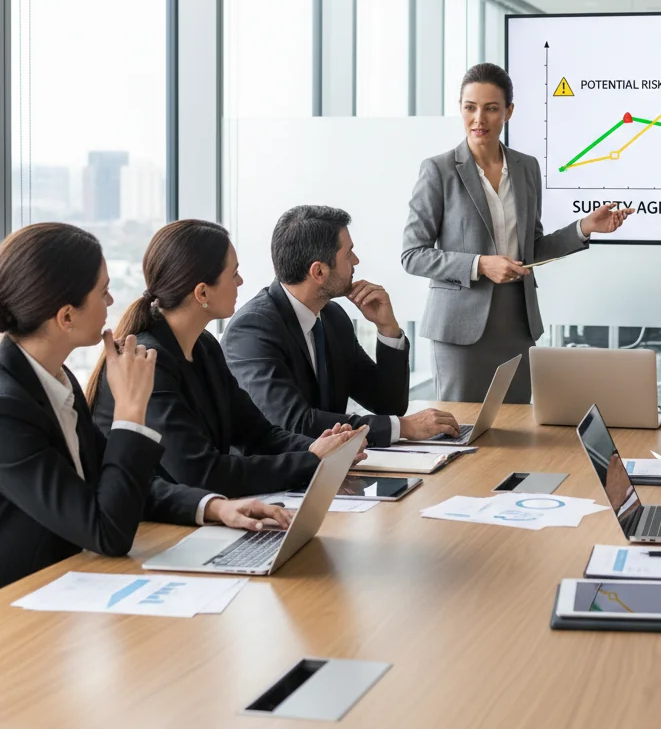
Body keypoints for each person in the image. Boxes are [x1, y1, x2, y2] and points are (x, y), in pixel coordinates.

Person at [0, 223, 292, 589]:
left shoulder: (55, 379)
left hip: (70, 584)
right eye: (103, 292)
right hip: (22, 608)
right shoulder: (7, 409)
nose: (110, 302)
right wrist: (129, 412)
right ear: (66, 316)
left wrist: (215, 507)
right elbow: (107, 531)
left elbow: (127, 485)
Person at [402, 62, 633, 402]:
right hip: (460, 330)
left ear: (508, 112)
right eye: (470, 108)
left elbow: (532, 249)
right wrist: (481, 264)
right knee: (461, 431)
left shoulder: (526, 168)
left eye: (491, 108)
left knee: (518, 430)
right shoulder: (438, 170)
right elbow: (413, 254)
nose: (479, 119)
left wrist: (584, 227)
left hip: (517, 323)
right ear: (460, 109)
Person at [89, 220, 362, 499]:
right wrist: (312, 460)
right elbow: (203, 473)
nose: (240, 282)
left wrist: (326, 446)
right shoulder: (150, 361)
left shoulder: (204, 346)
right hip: (157, 528)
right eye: (234, 274)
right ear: (202, 293)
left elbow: (258, 434)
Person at [222, 205, 461, 445]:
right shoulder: (252, 330)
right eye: (348, 254)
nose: (356, 261)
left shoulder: (332, 317)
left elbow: (387, 404)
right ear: (319, 271)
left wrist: (387, 329)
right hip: (279, 477)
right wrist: (404, 427)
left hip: (333, 467)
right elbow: (296, 423)